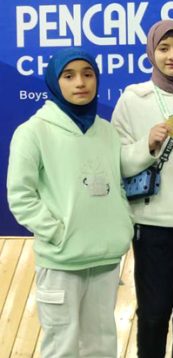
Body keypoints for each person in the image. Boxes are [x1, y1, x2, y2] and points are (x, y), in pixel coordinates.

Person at [7, 48, 133, 357]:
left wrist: (121, 222)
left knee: (101, 345)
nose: (80, 83)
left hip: (104, 258)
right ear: (55, 81)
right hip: (62, 261)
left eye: (88, 74)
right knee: (61, 347)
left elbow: (118, 179)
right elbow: (21, 196)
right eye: (69, 75)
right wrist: (58, 231)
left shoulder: (106, 130)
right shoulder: (32, 132)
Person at [111, 20, 173, 357]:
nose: (172, 56)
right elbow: (117, 163)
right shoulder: (132, 98)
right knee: (154, 315)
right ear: (151, 52)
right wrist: (148, 145)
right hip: (152, 225)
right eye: (164, 49)